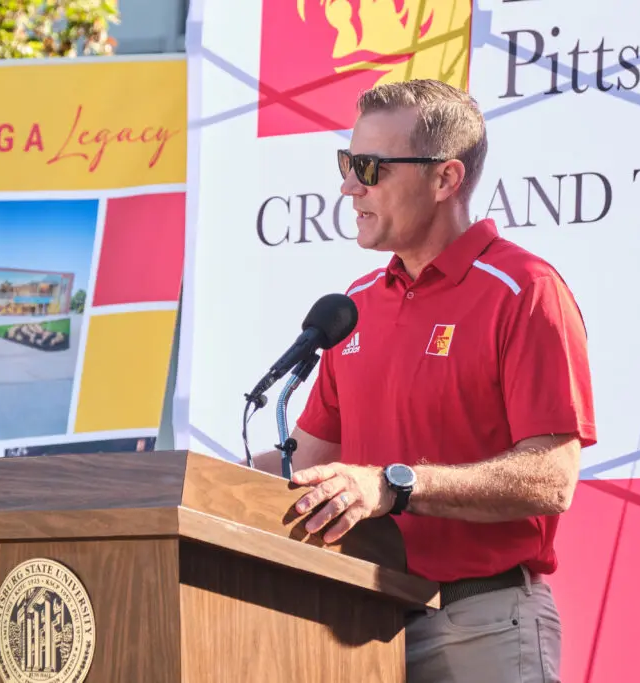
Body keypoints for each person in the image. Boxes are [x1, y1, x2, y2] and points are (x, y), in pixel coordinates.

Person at [251, 78, 596, 683]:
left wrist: (394, 485)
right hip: (354, 628)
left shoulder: (526, 291)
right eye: (346, 163)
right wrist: (175, 480)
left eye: (369, 168)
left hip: (481, 623)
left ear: (446, 179)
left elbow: (551, 477)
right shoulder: (354, 307)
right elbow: (305, 462)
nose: (348, 186)